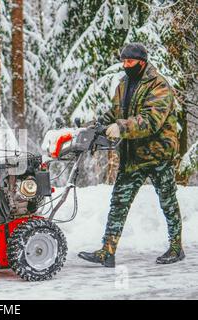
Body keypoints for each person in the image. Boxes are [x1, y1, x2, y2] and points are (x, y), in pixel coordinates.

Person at [78, 43, 184, 267]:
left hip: (157, 155)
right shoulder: (124, 84)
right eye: (123, 61)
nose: (125, 66)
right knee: (119, 202)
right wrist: (97, 125)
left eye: (129, 62)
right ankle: (107, 251)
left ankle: (176, 247)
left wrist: (121, 128)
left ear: (142, 62)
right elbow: (116, 111)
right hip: (132, 155)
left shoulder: (159, 85)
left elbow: (151, 121)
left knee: (167, 201)